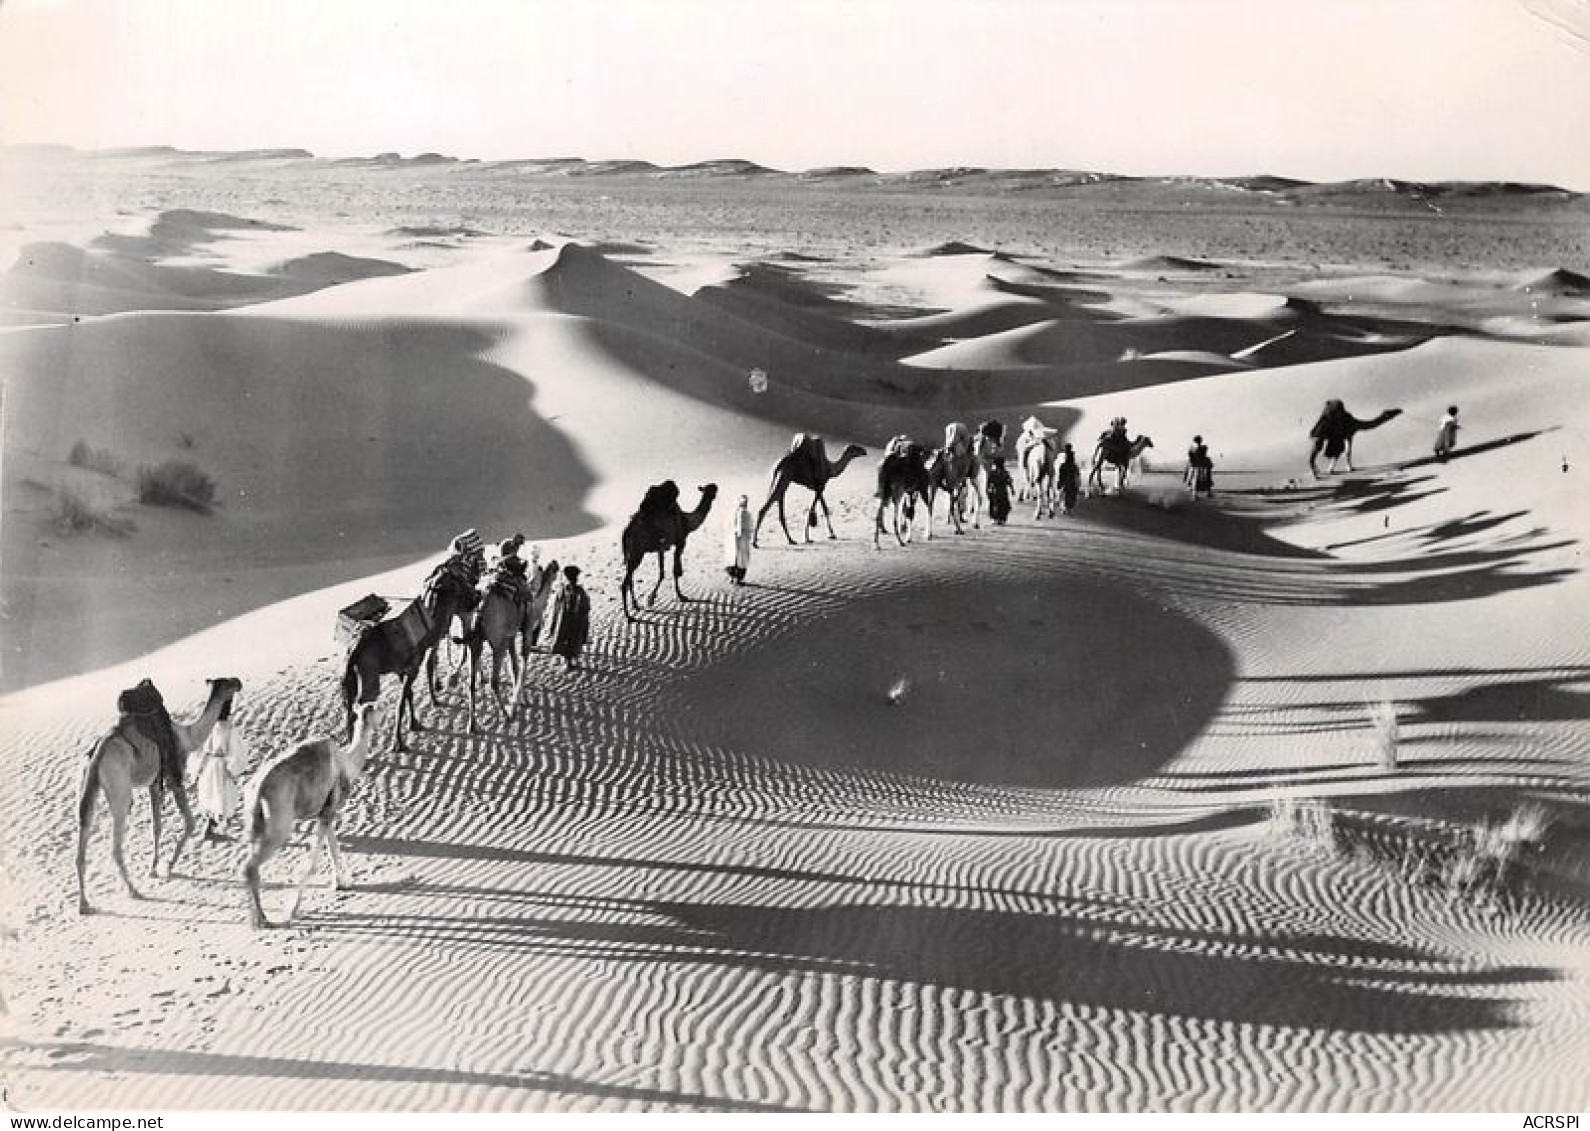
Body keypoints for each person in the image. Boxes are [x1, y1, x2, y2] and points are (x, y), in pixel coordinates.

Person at [192, 695, 250, 842]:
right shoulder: (229, 729)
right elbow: (235, 750)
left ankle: (212, 827)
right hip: (221, 767)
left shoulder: (210, 727)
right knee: (222, 797)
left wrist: (199, 768)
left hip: (210, 765)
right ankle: (212, 828)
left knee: (211, 796)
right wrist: (233, 768)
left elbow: (202, 749)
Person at [542, 564, 591, 671]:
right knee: (572, 640)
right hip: (570, 620)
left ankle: (570, 661)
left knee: (571, 640)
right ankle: (570, 662)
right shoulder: (576, 591)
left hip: (568, 620)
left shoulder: (567, 590)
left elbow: (557, 606)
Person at [724, 494, 755, 585]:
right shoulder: (745, 512)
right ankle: (737, 578)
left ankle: (733, 577)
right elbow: (743, 526)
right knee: (741, 558)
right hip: (742, 537)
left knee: (734, 557)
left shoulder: (733, 512)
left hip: (733, 537)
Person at [986, 455, 1013, 525]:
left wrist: (988, 489)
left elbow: (989, 482)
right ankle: (1001, 518)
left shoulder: (992, 473)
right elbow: (1009, 481)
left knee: (995, 505)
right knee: (1003, 505)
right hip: (1002, 491)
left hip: (996, 491)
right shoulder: (1005, 472)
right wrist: (1012, 489)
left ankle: (996, 518)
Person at [1057, 443, 1082, 514]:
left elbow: (1061, 475)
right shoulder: (1073, 462)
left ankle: (1065, 507)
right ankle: (1069, 508)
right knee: (1070, 494)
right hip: (1071, 479)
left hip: (1067, 478)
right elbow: (1077, 474)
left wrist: (1059, 482)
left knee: (1065, 493)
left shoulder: (1065, 458)